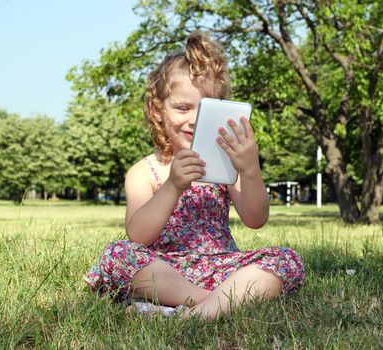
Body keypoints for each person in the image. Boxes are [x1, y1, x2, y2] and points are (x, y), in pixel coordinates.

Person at [84, 31, 305, 320]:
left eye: (206, 109)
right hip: (165, 271)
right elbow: (137, 235)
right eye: (183, 108)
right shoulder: (145, 171)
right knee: (118, 255)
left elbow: (256, 218)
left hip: (222, 269)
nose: (194, 120)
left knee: (287, 260)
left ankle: (189, 315)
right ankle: (215, 304)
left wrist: (250, 168)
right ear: (157, 109)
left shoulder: (227, 165)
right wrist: (173, 186)